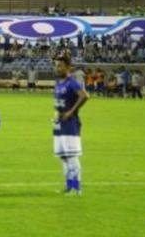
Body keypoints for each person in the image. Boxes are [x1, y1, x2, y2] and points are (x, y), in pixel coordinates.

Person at [53, 54, 89, 195]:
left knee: (72, 155)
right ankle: (69, 186)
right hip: (59, 122)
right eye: (56, 65)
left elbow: (84, 95)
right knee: (63, 156)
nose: (57, 68)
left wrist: (71, 111)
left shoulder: (71, 82)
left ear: (68, 67)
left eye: (60, 65)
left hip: (70, 123)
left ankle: (76, 187)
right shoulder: (59, 82)